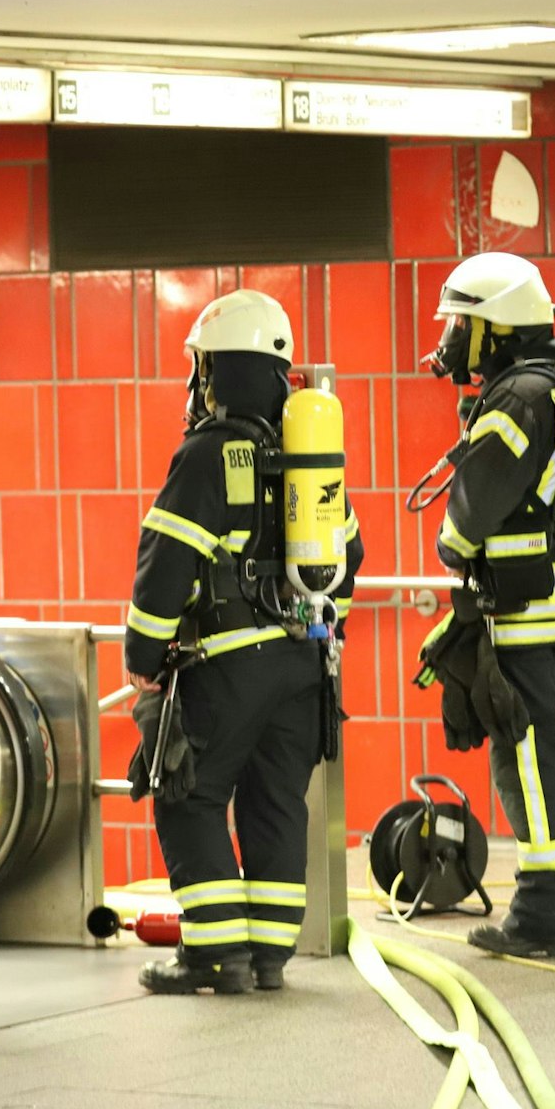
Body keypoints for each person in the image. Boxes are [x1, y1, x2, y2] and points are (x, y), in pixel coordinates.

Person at [125, 289, 364, 995]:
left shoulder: (206, 454)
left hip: (229, 664)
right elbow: (351, 556)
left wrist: (143, 655)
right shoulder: (305, 457)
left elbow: (166, 559)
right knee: (276, 802)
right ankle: (268, 957)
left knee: (188, 795)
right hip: (304, 667)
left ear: (216, 371)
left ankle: (215, 954)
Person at [416, 252, 555, 957]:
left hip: (528, 606)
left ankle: (546, 914)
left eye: (462, 322)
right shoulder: (554, 383)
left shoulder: (519, 399)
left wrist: (452, 546)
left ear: (495, 327)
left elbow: (473, 508)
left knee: (525, 756)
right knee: (543, 750)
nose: (453, 335)